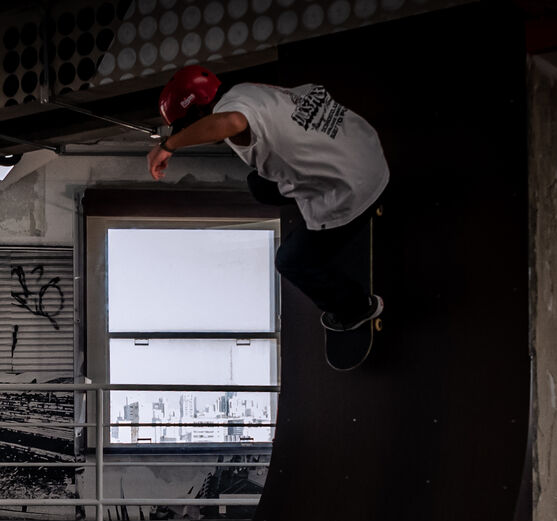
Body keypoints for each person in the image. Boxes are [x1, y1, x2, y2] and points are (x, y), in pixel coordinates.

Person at [147, 66, 390, 332]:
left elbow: (232, 122)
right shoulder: (246, 91)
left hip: (354, 187)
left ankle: (357, 307)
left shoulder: (230, 115)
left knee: (291, 261)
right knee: (259, 186)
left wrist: (168, 145)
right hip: (366, 147)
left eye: (187, 127)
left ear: (197, 112)